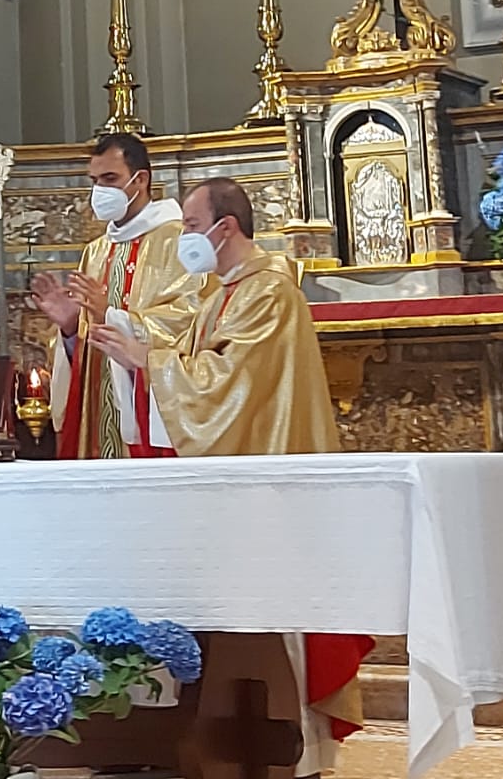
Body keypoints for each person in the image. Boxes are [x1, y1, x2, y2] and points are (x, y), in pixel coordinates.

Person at [86, 178, 367, 775]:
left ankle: (290, 749)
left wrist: (146, 361)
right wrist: (138, 361)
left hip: (267, 489)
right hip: (231, 491)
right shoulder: (221, 291)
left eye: (191, 225)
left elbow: (232, 385)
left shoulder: (270, 291)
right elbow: (194, 369)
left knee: (270, 617)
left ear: (226, 228)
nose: (184, 237)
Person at [30, 134, 194, 460]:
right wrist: (70, 327)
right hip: (99, 411)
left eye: (110, 179)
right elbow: (86, 343)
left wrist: (114, 317)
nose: (100, 191)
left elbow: (189, 321)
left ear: (141, 179)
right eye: (94, 181)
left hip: (150, 418)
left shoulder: (178, 241)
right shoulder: (96, 250)